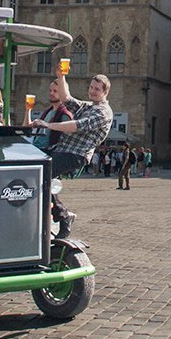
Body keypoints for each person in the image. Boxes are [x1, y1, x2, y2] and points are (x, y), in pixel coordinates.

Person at [31, 68, 113, 238]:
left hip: (76, 154)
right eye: (91, 87)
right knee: (37, 174)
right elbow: (67, 98)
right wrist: (61, 76)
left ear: (105, 92)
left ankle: (63, 216)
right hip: (62, 150)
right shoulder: (88, 105)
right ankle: (53, 216)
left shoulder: (103, 112)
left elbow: (76, 126)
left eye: (97, 89)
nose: (92, 91)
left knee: (42, 174)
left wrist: (48, 125)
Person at [23, 79, 72, 150]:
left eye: (55, 91)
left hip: (49, 153)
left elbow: (66, 141)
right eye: (50, 90)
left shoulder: (64, 114)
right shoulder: (48, 111)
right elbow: (27, 128)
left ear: (62, 93)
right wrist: (28, 110)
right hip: (36, 150)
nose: (51, 93)